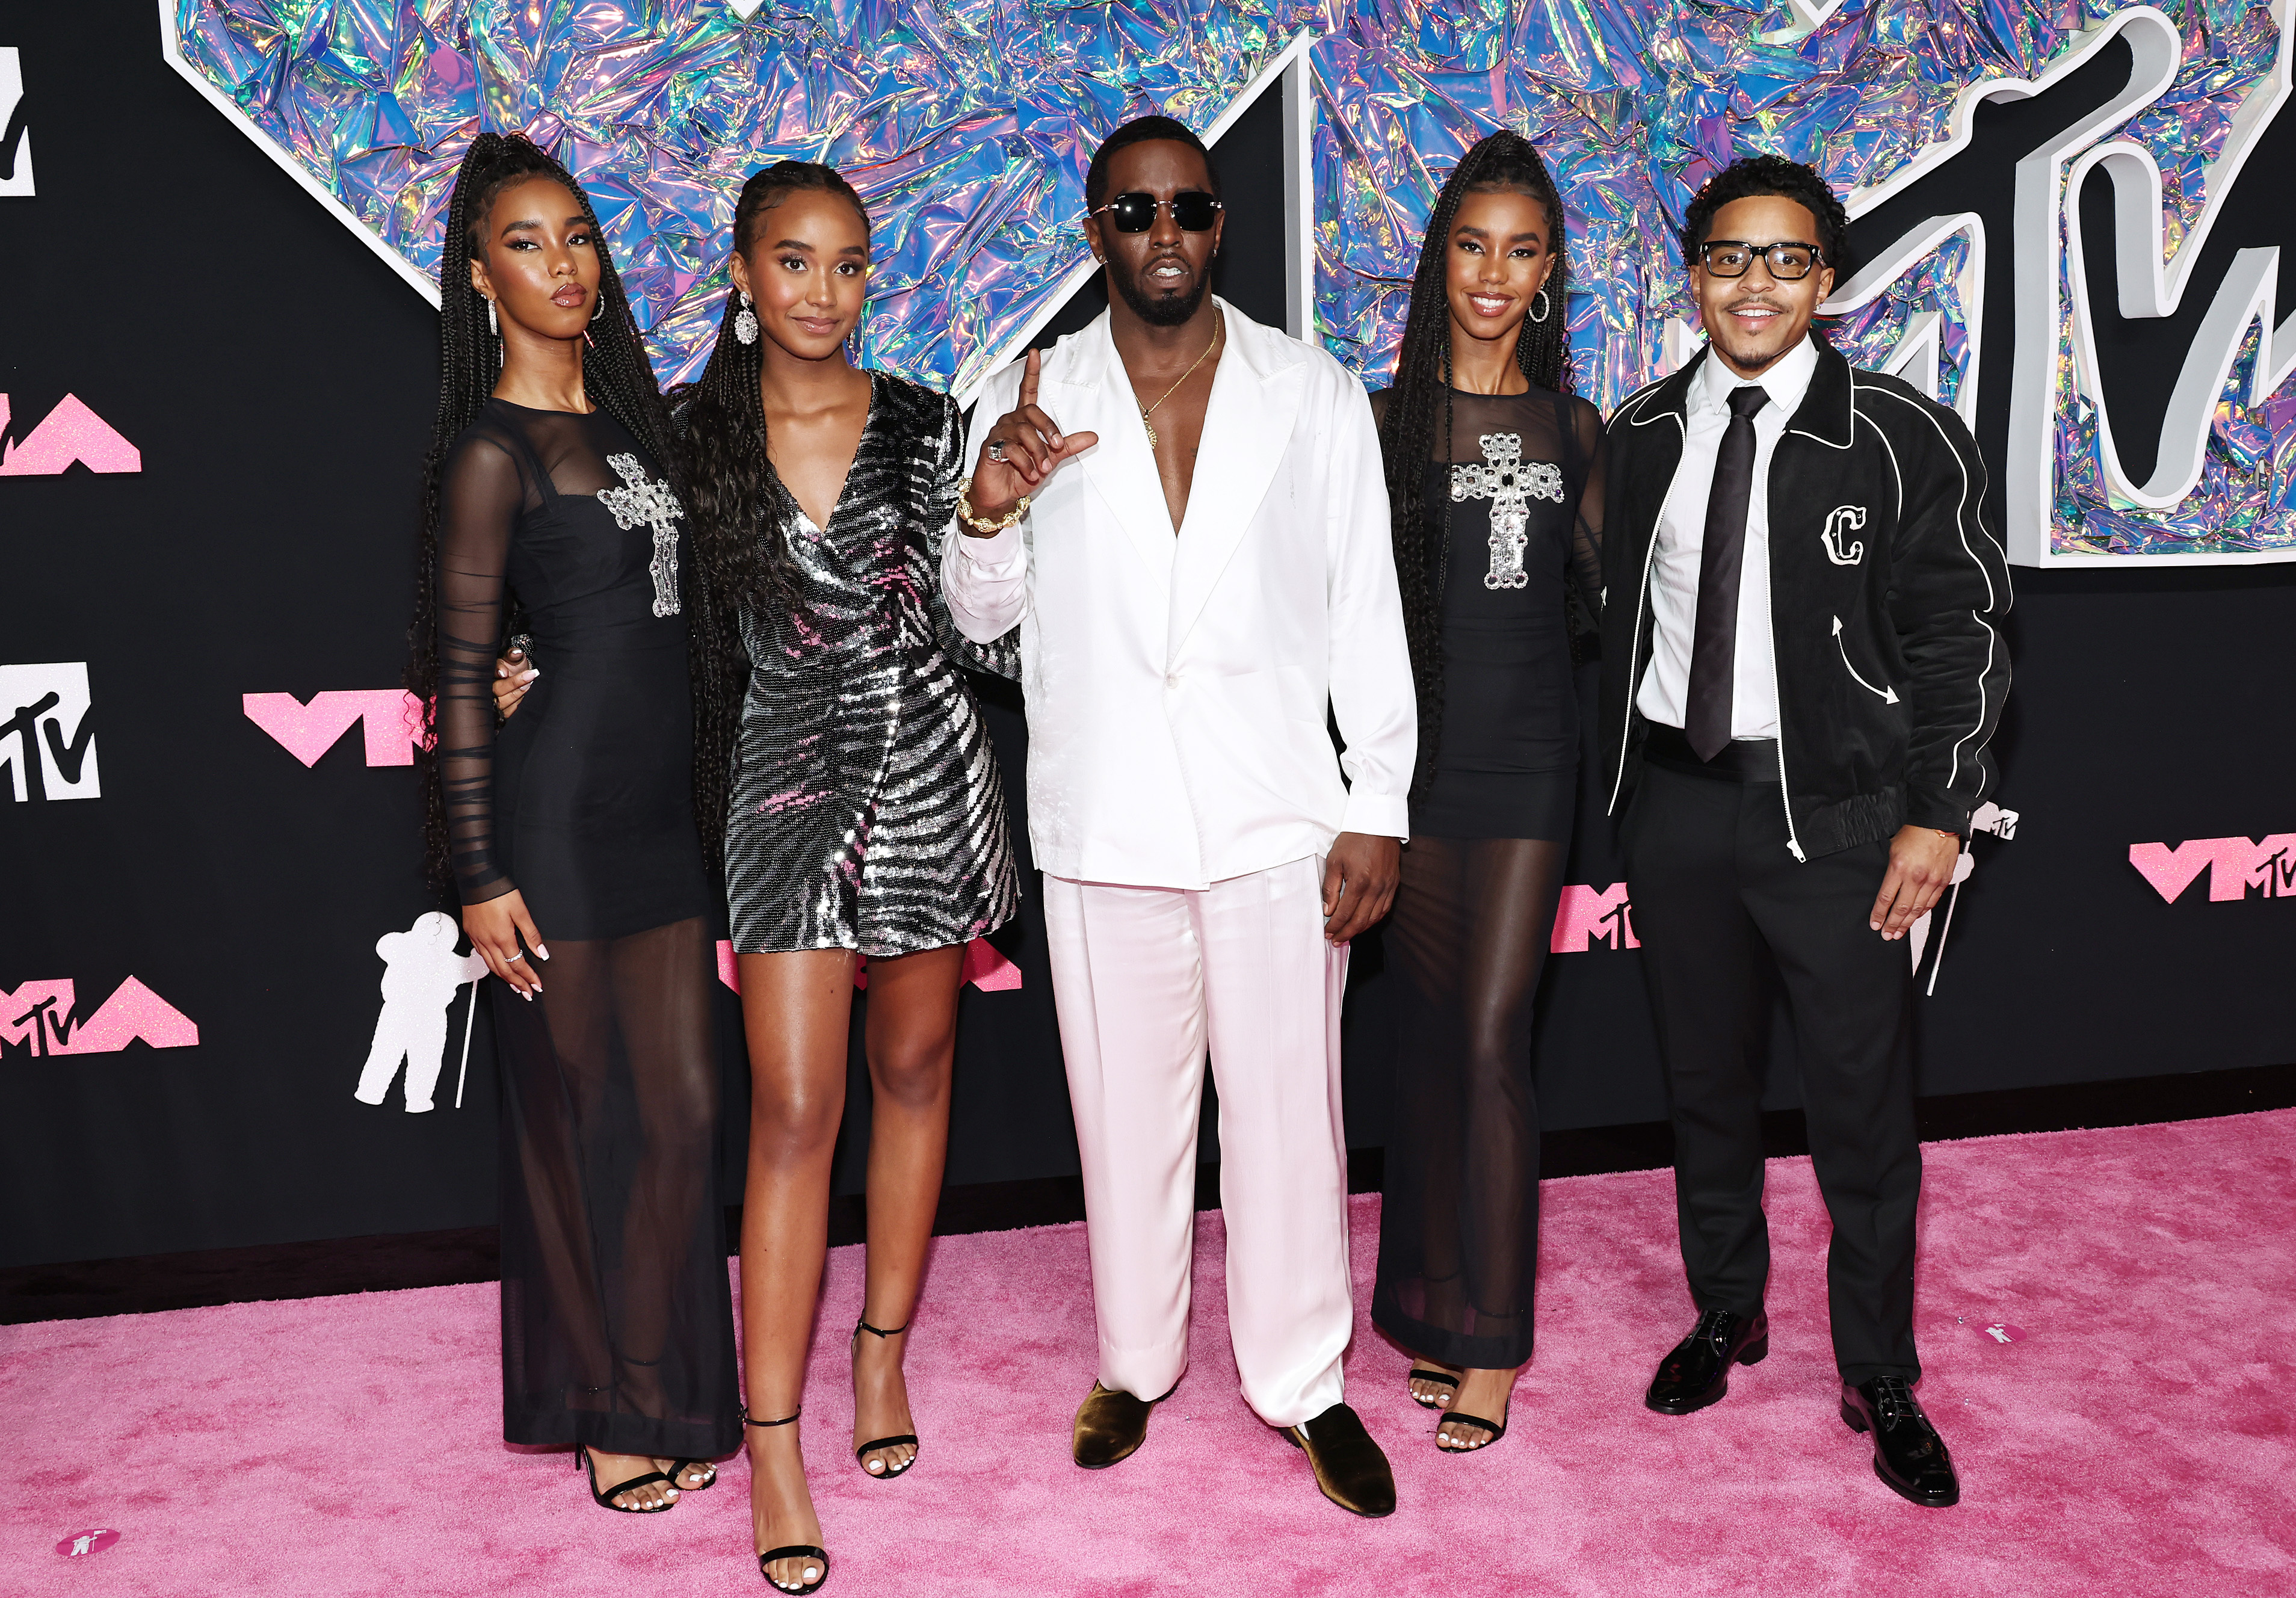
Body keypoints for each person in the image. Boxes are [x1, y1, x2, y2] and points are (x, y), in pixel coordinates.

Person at [940, 115, 1416, 1517]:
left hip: (1279, 815)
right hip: (1104, 824)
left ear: (1219, 228)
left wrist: (1374, 799)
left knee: (1289, 1119)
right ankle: (1134, 1362)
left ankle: (1304, 1381)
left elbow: (1364, 612)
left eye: (1188, 209)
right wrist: (985, 507)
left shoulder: (1311, 391)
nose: (1163, 233)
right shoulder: (1022, 389)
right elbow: (984, 626)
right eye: (1133, 209)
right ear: (1095, 230)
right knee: (1124, 1118)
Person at [1597, 154, 2010, 1508]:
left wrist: (1938, 815)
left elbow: (1965, 634)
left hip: (1839, 823)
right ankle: (1730, 1308)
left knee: (1862, 1111)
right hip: (1681, 807)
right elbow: (1615, 626)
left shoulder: (1899, 431)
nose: (1754, 282)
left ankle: (1879, 1368)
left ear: (1827, 280)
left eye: (1785, 259)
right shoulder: (1644, 428)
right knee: (1704, 1084)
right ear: (1694, 274)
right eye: (1729, 256)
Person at [684, 162, 1018, 1595]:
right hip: (781, 796)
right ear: (744, 277)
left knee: (922, 1067)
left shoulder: (933, 425)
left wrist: (994, 513)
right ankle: (772, 1441)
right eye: (795, 263)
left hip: (932, 774)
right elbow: (645, 622)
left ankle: (881, 1356)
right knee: (793, 1109)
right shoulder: (693, 438)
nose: (824, 292)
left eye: (850, 265)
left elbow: (993, 638)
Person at [410, 131, 741, 1518]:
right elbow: (457, 674)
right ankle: (610, 1408)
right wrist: (478, 870)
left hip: (657, 825)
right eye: (527, 244)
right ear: (481, 277)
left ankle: (660, 1378)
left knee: (678, 1117)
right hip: (548, 833)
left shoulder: (630, 422)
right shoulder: (488, 451)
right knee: (579, 1123)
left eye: (578, 238)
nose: (561, 264)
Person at [1366, 131, 1605, 1453]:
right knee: (1423, 1049)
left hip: (1527, 771)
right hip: (1411, 773)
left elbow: (1618, 606)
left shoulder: (1574, 429)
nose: (1493, 273)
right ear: (1438, 260)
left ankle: (1494, 1341)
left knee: (1488, 1040)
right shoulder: (1380, 422)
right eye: (1472, 245)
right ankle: (1425, 1306)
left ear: (1551, 268)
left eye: (1521, 249)